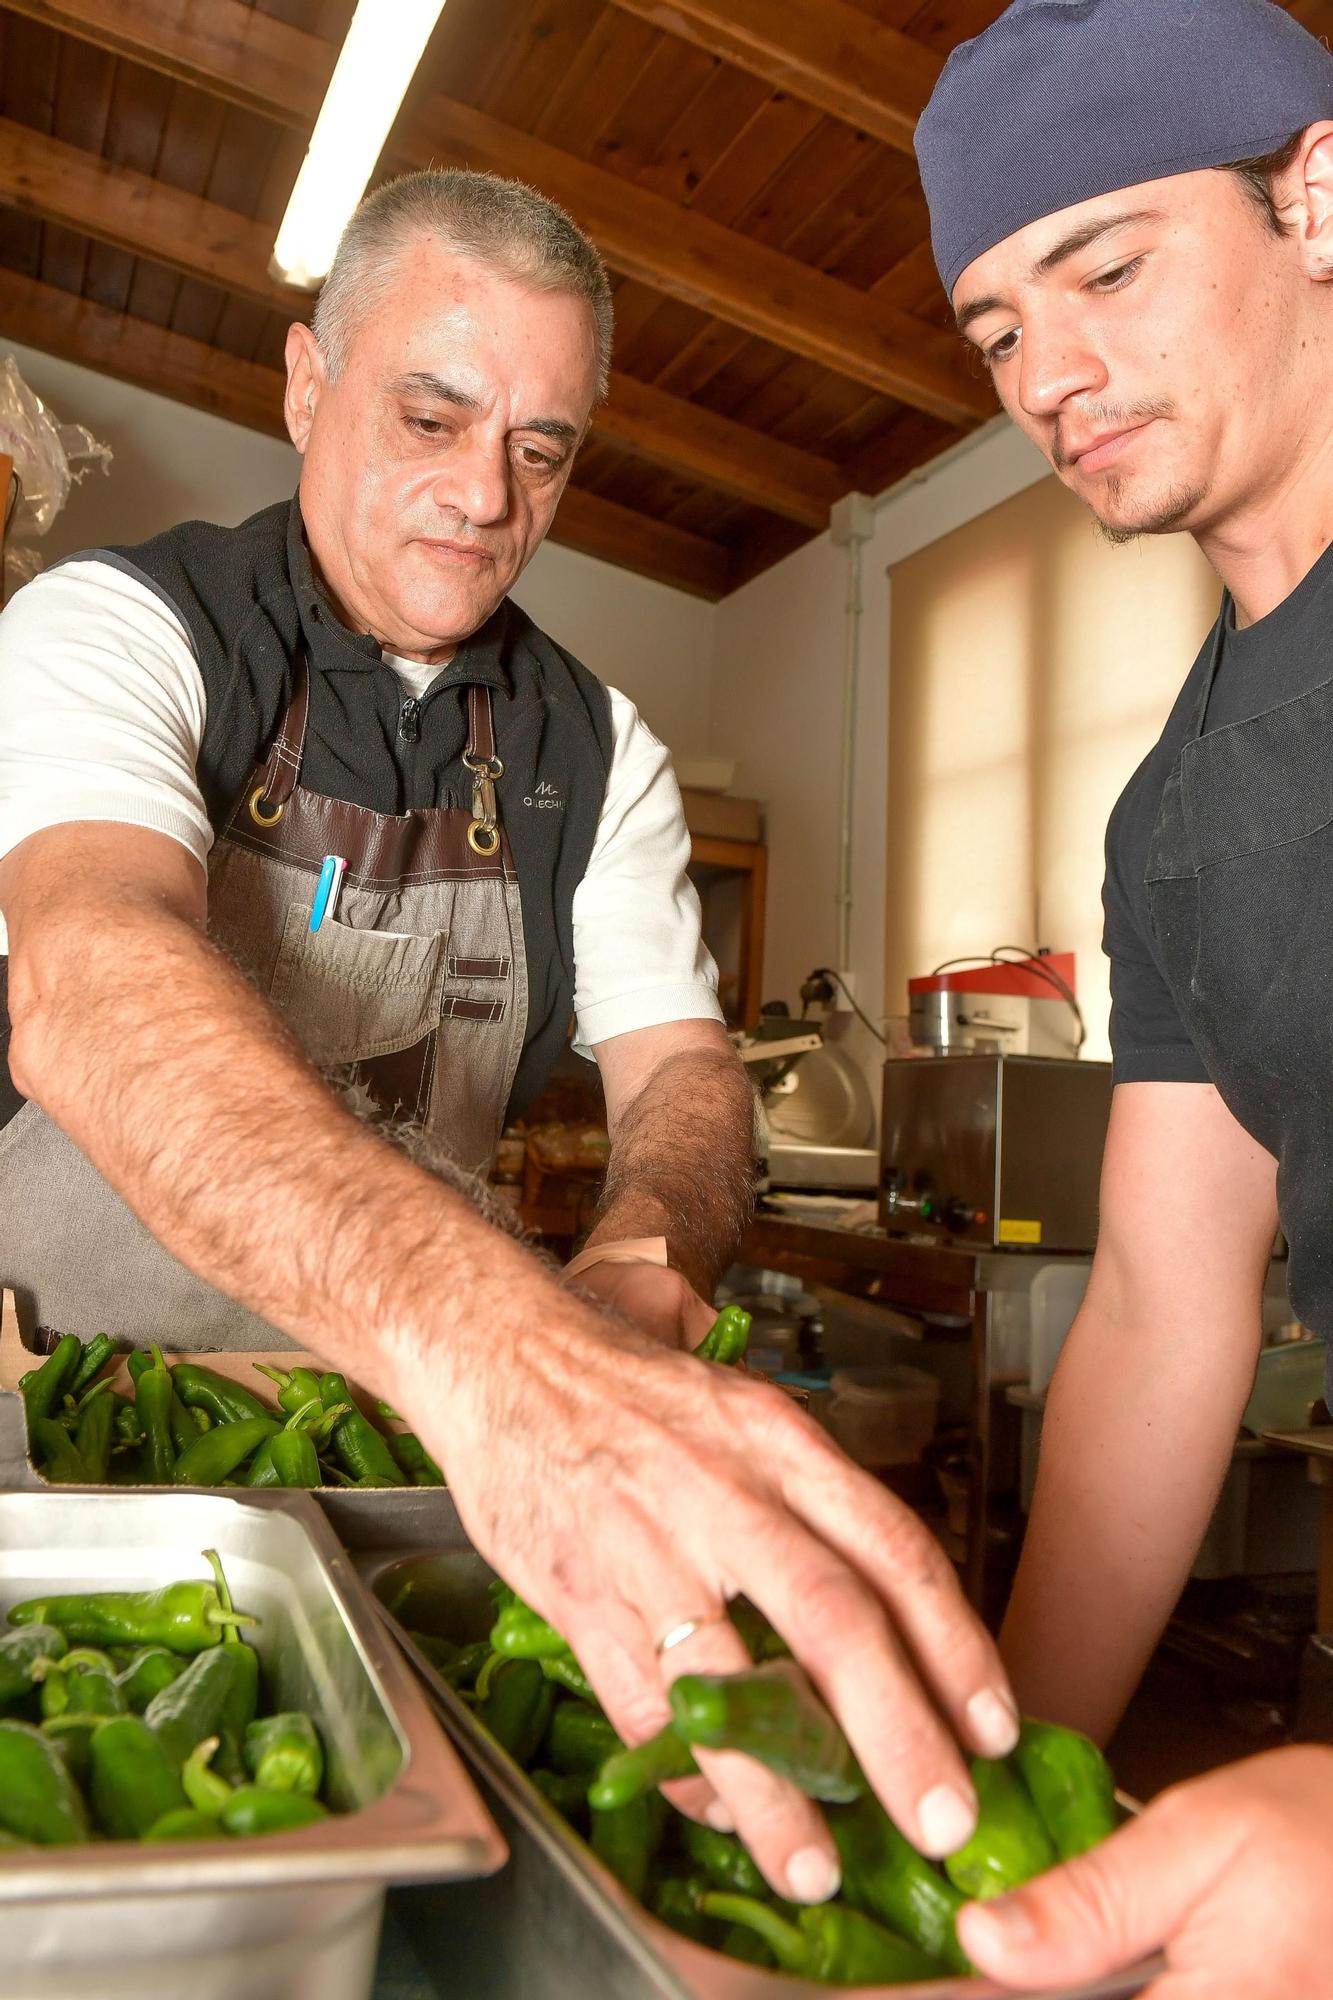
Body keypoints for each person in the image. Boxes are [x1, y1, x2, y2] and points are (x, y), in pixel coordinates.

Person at [0, 166, 1017, 1900]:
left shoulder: (592, 750)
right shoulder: (114, 626)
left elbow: (685, 1072)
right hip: (63, 1440)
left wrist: (639, 1245)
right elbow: (92, 971)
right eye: (432, 411)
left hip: (411, 1452)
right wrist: (505, 1346)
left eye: (542, 449)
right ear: (308, 384)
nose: (485, 496)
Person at [912, 0, 1333, 1990]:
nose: (1048, 374)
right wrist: (985, 1805)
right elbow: (1169, 1305)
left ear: (1314, 196)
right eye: (996, 328)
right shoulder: (1171, 808)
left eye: (1108, 265)